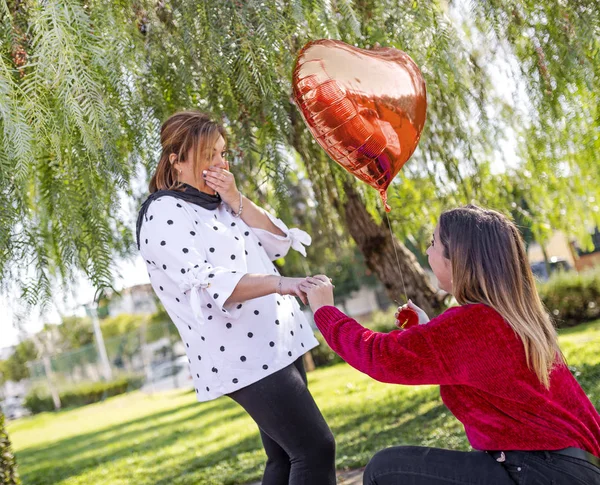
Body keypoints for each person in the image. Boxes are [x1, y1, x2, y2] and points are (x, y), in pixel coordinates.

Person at [300, 205, 600, 485]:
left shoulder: (472, 326)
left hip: (541, 472)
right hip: (573, 468)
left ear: (456, 258)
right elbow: (467, 360)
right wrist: (427, 330)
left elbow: (379, 356)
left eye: (433, 243)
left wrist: (325, 311)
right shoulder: (512, 317)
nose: (427, 251)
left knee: (385, 470)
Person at [136, 110, 336, 485]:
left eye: (222, 153)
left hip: (278, 342)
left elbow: (278, 242)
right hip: (244, 354)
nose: (219, 164)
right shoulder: (163, 212)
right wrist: (283, 284)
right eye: (208, 155)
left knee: (284, 458)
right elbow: (210, 283)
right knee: (315, 449)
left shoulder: (221, 203)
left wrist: (236, 197)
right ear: (176, 161)